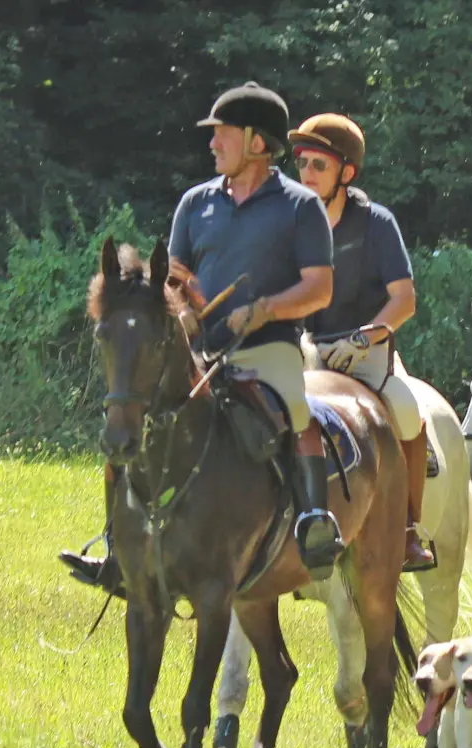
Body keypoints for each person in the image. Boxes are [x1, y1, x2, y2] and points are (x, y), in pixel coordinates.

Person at [59, 81, 342, 591]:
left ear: (258, 141)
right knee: (133, 417)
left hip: (270, 346)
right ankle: (116, 547)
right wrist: (185, 308)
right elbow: (177, 274)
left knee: (297, 411)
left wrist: (263, 309)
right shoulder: (196, 202)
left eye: (223, 134)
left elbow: (319, 288)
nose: (212, 144)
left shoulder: (301, 206)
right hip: (200, 346)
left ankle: (313, 523)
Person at [288, 112, 435, 571]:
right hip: (304, 351)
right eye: (302, 163)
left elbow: (404, 300)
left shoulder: (376, 224)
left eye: (318, 166)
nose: (306, 175)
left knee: (408, 413)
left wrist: (362, 338)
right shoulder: (289, 222)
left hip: (365, 351)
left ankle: (409, 532)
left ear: (346, 174)